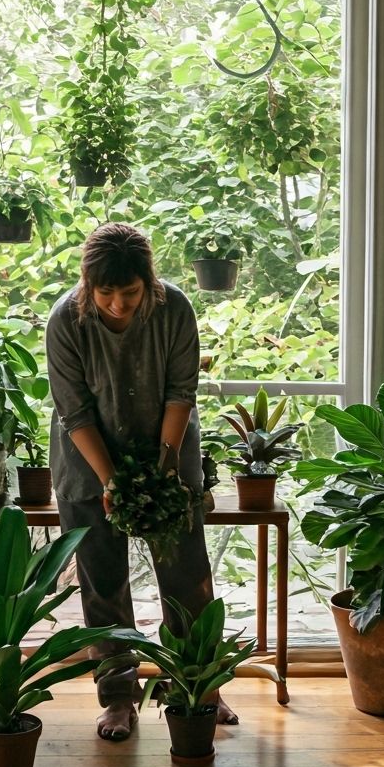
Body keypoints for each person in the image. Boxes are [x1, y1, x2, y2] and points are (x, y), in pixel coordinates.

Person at [46, 222, 237, 740]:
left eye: (128, 292)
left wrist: (165, 470)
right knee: (102, 583)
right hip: (88, 462)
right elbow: (74, 411)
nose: (116, 304)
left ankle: (198, 690)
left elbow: (181, 392)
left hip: (167, 451)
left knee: (187, 579)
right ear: (88, 284)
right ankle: (118, 699)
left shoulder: (173, 308)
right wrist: (113, 481)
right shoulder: (65, 318)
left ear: (147, 283)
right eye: (104, 292)